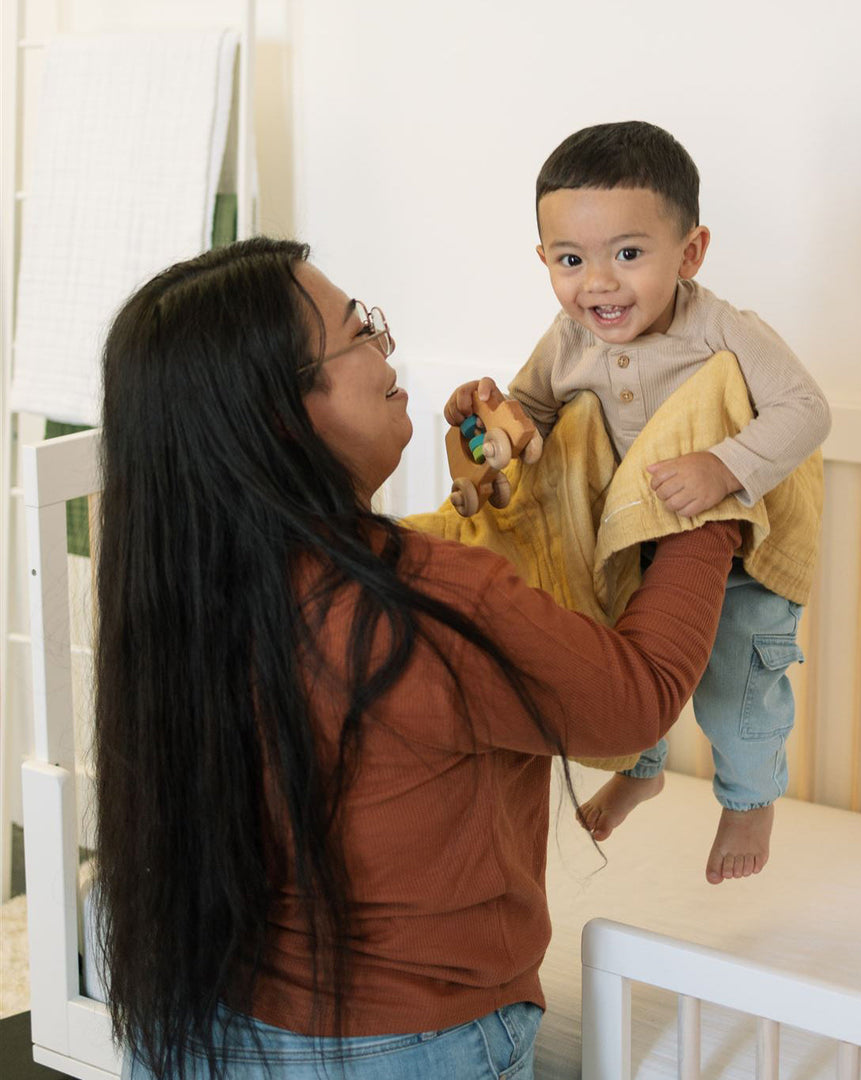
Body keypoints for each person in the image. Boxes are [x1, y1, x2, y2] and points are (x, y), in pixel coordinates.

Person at [94, 236, 741, 1079]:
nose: (385, 345)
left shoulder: (180, 590)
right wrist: (713, 507)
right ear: (284, 416)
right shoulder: (429, 600)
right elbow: (635, 699)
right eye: (359, 329)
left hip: (195, 1031)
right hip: (404, 1042)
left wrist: (495, 502)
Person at [445, 120, 830, 887]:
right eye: (570, 259)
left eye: (628, 254)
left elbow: (805, 409)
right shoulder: (568, 337)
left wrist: (725, 465)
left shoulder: (720, 327)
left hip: (742, 558)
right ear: (545, 261)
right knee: (618, 661)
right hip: (640, 545)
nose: (599, 283)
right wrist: (496, 423)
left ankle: (750, 799)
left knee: (734, 685)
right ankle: (642, 769)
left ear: (689, 253)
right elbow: (534, 410)